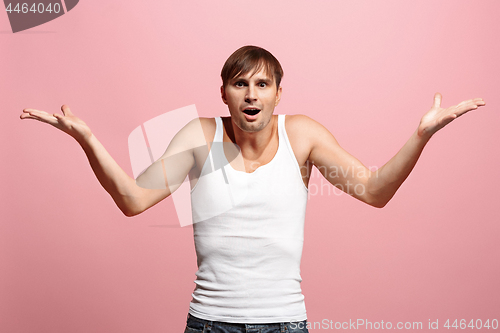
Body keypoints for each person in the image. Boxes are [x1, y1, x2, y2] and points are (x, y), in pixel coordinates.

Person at [20, 45, 486, 333]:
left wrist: (421, 136)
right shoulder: (198, 135)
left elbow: (373, 190)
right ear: (223, 92)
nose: (251, 94)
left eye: (262, 84)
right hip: (209, 324)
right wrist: (87, 139)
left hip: (284, 324)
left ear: (278, 93)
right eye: (240, 83)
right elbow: (132, 200)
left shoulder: (301, 135)